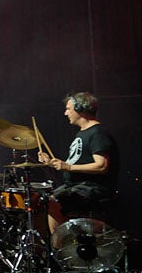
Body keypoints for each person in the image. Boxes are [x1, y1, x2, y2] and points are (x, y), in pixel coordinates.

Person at [38, 92, 119, 234]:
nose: (65, 113)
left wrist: (68, 167)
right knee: (42, 201)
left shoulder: (98, 133)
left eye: (68, 109)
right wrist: (52, 163)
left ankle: (65, 246)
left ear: (81, 109)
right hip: (78, 186)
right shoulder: (83, 133)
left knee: (53, 202)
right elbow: (77, 162)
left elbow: (101, 165)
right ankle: (64, 244)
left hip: (93, 188)